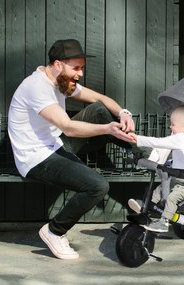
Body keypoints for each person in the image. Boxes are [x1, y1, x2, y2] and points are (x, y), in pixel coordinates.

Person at [8, 39, 135, 260]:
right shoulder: (36, 87)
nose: (80, 74)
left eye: (82, 68)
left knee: (97, 109)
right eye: (76, 68)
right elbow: (69, 127)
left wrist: (124, 112)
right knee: (97, 186)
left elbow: (99, 99)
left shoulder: (61, 81)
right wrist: (108, 129)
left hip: (55, 144)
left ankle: (141, 154)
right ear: (58, 64)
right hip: (35, 158)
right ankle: (54, 231)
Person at [129, 105, 184, 232]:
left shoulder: (182, 138)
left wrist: (137, 139)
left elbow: (158, 142)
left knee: (171, 197)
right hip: (180, 179)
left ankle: (164, 222)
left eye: (173, 124)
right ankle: (146, 207)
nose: (170, 127)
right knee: (160, 189)